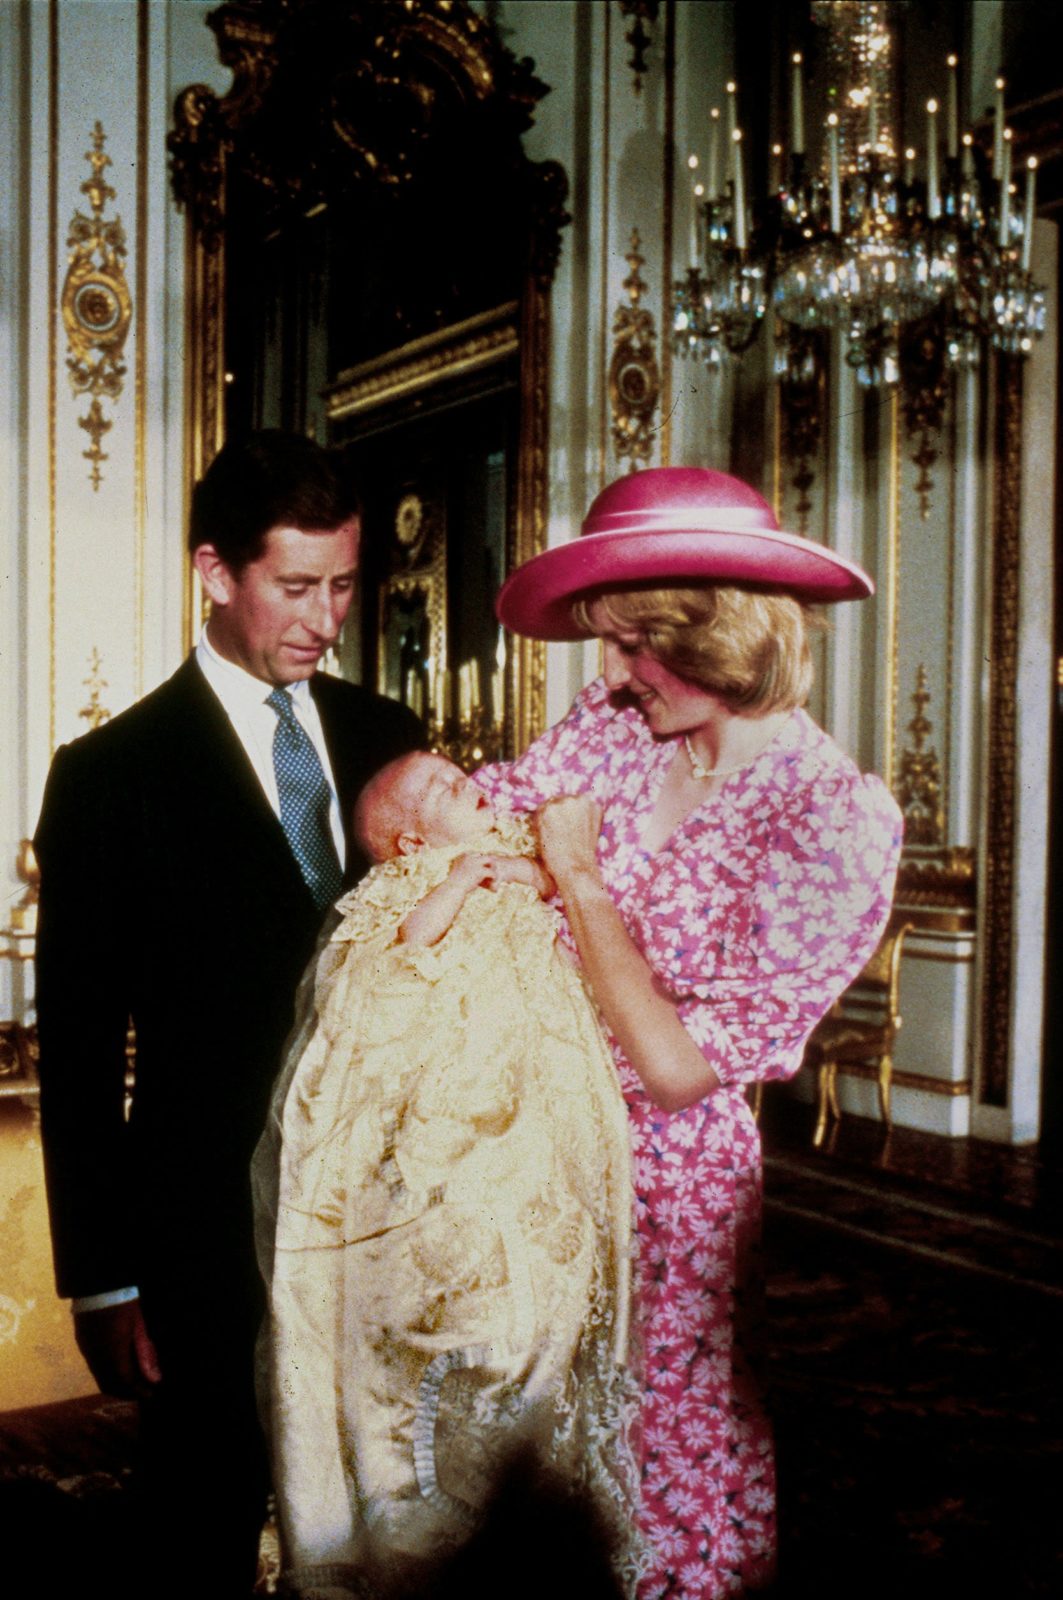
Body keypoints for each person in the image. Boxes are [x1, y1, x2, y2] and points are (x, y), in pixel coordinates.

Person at [476, 466, 904, 1599]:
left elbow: (673, 1069)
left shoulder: (831, 817)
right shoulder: (618, 731)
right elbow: (481, 820)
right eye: (606, 643)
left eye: (635, 644)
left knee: (656, 1465)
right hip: (532, 1153)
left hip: (667, 1193)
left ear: (719, 634)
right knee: (524, 1464)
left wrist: (571, 875)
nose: (609, 672)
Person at [33, 431, 424, 1596]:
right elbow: (81, 1053)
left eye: (345, 584)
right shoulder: (109, 775)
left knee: (384, 1509)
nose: (326, 617)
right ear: (216, 572)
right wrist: (102, 1280)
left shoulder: (386, 737)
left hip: (388, 1215)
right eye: (296, 587)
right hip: (203, 1235)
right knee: (204, 1515)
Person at [252, 751, 638, 1599]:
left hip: (533, 1063)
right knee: (455, 1205)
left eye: (450, 767)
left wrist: (526, 870)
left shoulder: (507, 837)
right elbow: (405, 945)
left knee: (544, 1226)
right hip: (449, 1071)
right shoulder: (412, 880)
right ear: (409, 840)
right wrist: (460, 881)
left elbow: (550, 881)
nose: (457, 777)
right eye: (431, 788)